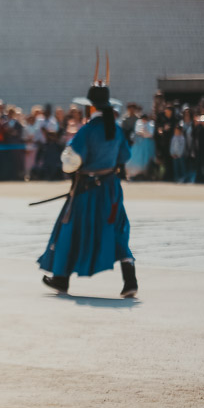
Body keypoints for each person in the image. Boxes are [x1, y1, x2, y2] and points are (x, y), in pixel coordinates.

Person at [39, 58, 137, 297]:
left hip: (87, 191)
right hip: (111, 189)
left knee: (69, 228)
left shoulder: (87, 131)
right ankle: (130, 280)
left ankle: (61, 279)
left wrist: (70, 158)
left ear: (91, 107)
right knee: (115, 230)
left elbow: (70, 163)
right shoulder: (116, 131)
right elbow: (125, 155)